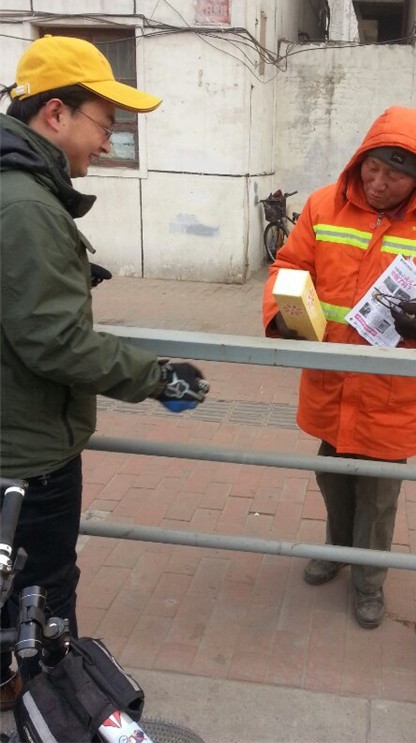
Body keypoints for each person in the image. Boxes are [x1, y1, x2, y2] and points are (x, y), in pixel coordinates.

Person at [0, 35, 208, 709]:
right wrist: (157, 376)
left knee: (12, 601)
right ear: (55, 113)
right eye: (104, 123)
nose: (108, 142)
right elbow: (56, 342)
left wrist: (61, 275)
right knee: (42, 606)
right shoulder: (26, 206)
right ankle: (51, 713)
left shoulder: (17, 193)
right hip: (27, 457)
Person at [263, 106, 416, 630]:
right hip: (332, 383)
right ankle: (337, 551)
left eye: (394, 175)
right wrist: (281, 312)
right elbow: (290, 265)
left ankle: (369, 582)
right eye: (372, 168)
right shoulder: (324, 205)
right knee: (332, 477)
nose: (378, 183)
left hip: (393, 392)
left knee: (379, 496)